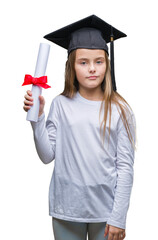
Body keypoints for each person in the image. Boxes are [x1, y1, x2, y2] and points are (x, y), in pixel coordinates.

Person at [23, 15, 136, 240]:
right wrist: (37, 118)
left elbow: (125, 167)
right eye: (83, 62)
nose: (92, 69)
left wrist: (119, 217)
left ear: (107, 63)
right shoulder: (61, 105)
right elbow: (47, 156)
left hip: (106, 211)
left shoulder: (120, 109)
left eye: (99, 61)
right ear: (72, 66)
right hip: (67, 208)